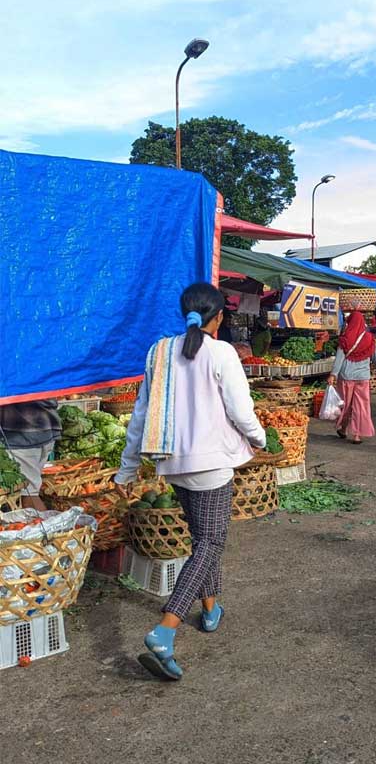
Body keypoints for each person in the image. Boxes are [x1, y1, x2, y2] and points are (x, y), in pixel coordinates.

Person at [115, 282, 267, 681]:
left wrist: (127, 469)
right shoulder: (221, 352)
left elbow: (139, 415)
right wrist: (260, 438)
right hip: (211, 466)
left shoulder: (159, 351)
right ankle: (165, 631)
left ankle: (211, 607)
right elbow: (241, 409)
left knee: (203, 540)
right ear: (219, 317)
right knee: (211, 543)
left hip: (173, 465)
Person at [328, 311, 376, 443]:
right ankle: (357, 435)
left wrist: (333, 374)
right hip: (363, 377)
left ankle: (343, 428)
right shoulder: (370, 338)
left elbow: (339, 359)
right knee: (361, 406)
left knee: (345, 405)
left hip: (346, 377)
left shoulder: (345, 339)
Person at [0, 400, 62, 511]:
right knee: (30, 489)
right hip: (45, 429)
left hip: (23, 437)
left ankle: (45, 526)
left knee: (29, 494)